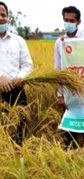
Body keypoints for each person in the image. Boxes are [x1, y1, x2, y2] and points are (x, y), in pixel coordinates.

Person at [54, 6, 84, 151]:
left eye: (72, 20)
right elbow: (58, 70)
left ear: (78, 22)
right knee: (70, 129)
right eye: (66, 20)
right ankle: (70, 159)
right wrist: (60, 95)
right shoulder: (60, 42)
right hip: (69, 92)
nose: (68, 23)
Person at [0, 1, 33, 144]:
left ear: (8, 17)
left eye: (3, 15)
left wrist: (21, 77)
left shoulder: (18, 41)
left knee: (19, 134)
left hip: (17, 92)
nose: (1, 18)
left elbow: (27, 65)